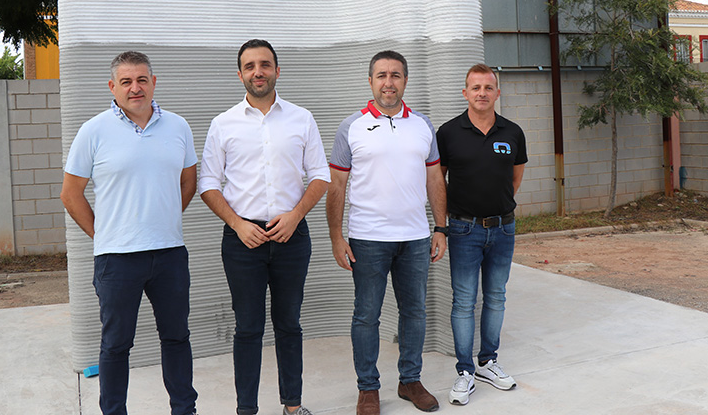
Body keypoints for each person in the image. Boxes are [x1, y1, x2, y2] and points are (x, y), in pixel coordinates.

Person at [60, 51, 199, 415]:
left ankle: (185, 410)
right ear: (113, 87)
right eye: (126, 81)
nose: (135, 88)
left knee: (176, 338)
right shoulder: (94, 131)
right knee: (116, 345)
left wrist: (163, 216)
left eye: (141, 80)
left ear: (154, 83)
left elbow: (188, 182)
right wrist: (103, 233)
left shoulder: (178, 127)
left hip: (169, 254)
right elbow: (70, 194)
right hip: (116, 260)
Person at [199, 39, 330, 415]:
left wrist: (295, 216)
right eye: (250, 66)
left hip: (292, 235)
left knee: (289, 324)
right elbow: (208, 182)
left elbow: (321, 175)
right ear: (239, 74)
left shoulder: (301, 118)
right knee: (248, 328)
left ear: (277, 70)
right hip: (243, 240)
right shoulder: (223, 124)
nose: (258, 71)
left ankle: (293, 405)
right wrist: (238, 224)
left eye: (265, 64)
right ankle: (247, 409)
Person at [326, 50, 448, 415]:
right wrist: (336, 236)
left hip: (415, 237)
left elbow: (434, 179)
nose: (389, 82)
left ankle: (410, 380)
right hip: (367, 238)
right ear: (370, 81)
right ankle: (368, 388)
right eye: (381, 75)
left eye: (396, 75)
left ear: (405, 81)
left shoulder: (423, 125)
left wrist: (440, 228)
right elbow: (337, 186)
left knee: (414, 312)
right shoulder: (352, 126)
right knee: (366, 315)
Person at [436, 63, 527, 406]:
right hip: (463, 228)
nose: (482, 93)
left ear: (497, 93)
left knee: (496, 296)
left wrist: (499, 208)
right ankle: (464, 371)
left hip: (503, 228)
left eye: (488, 88)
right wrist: (443, 225)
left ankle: (488, 362)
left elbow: (514, 179)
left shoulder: (513, 132)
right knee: (463, 301)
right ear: (465, 93)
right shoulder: (448, 133)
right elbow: (437, 182)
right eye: (475, 88)